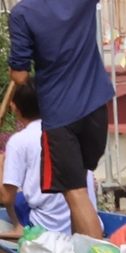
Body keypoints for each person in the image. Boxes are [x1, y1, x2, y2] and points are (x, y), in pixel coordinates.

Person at [6, 0, 126, 239]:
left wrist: (17, 71)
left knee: (74, 193)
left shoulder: (23, 13)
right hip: (96, 106)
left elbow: (20, 76)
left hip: (61, 116)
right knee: (81, 183)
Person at [0, 78, 96, 235]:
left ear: (14, 106)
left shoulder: (19, 141)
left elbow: (6, 198)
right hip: (88, 223)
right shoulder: (71, 131)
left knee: (17, 199)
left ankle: (19, 228)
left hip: (46, 227)